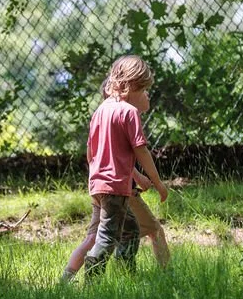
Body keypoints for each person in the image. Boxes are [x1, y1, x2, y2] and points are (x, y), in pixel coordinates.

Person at [60, 89, 171, 284]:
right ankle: (164, 277)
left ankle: (65, 280)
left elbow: (91, 154)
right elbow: (136, 152)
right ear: (129, 92)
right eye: (144, 90)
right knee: (150, 230)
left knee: (98, 236)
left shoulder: (100, 115)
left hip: (98, 186)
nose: (147, 95)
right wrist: (142, 177)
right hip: (119, 189)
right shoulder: (127, 114)